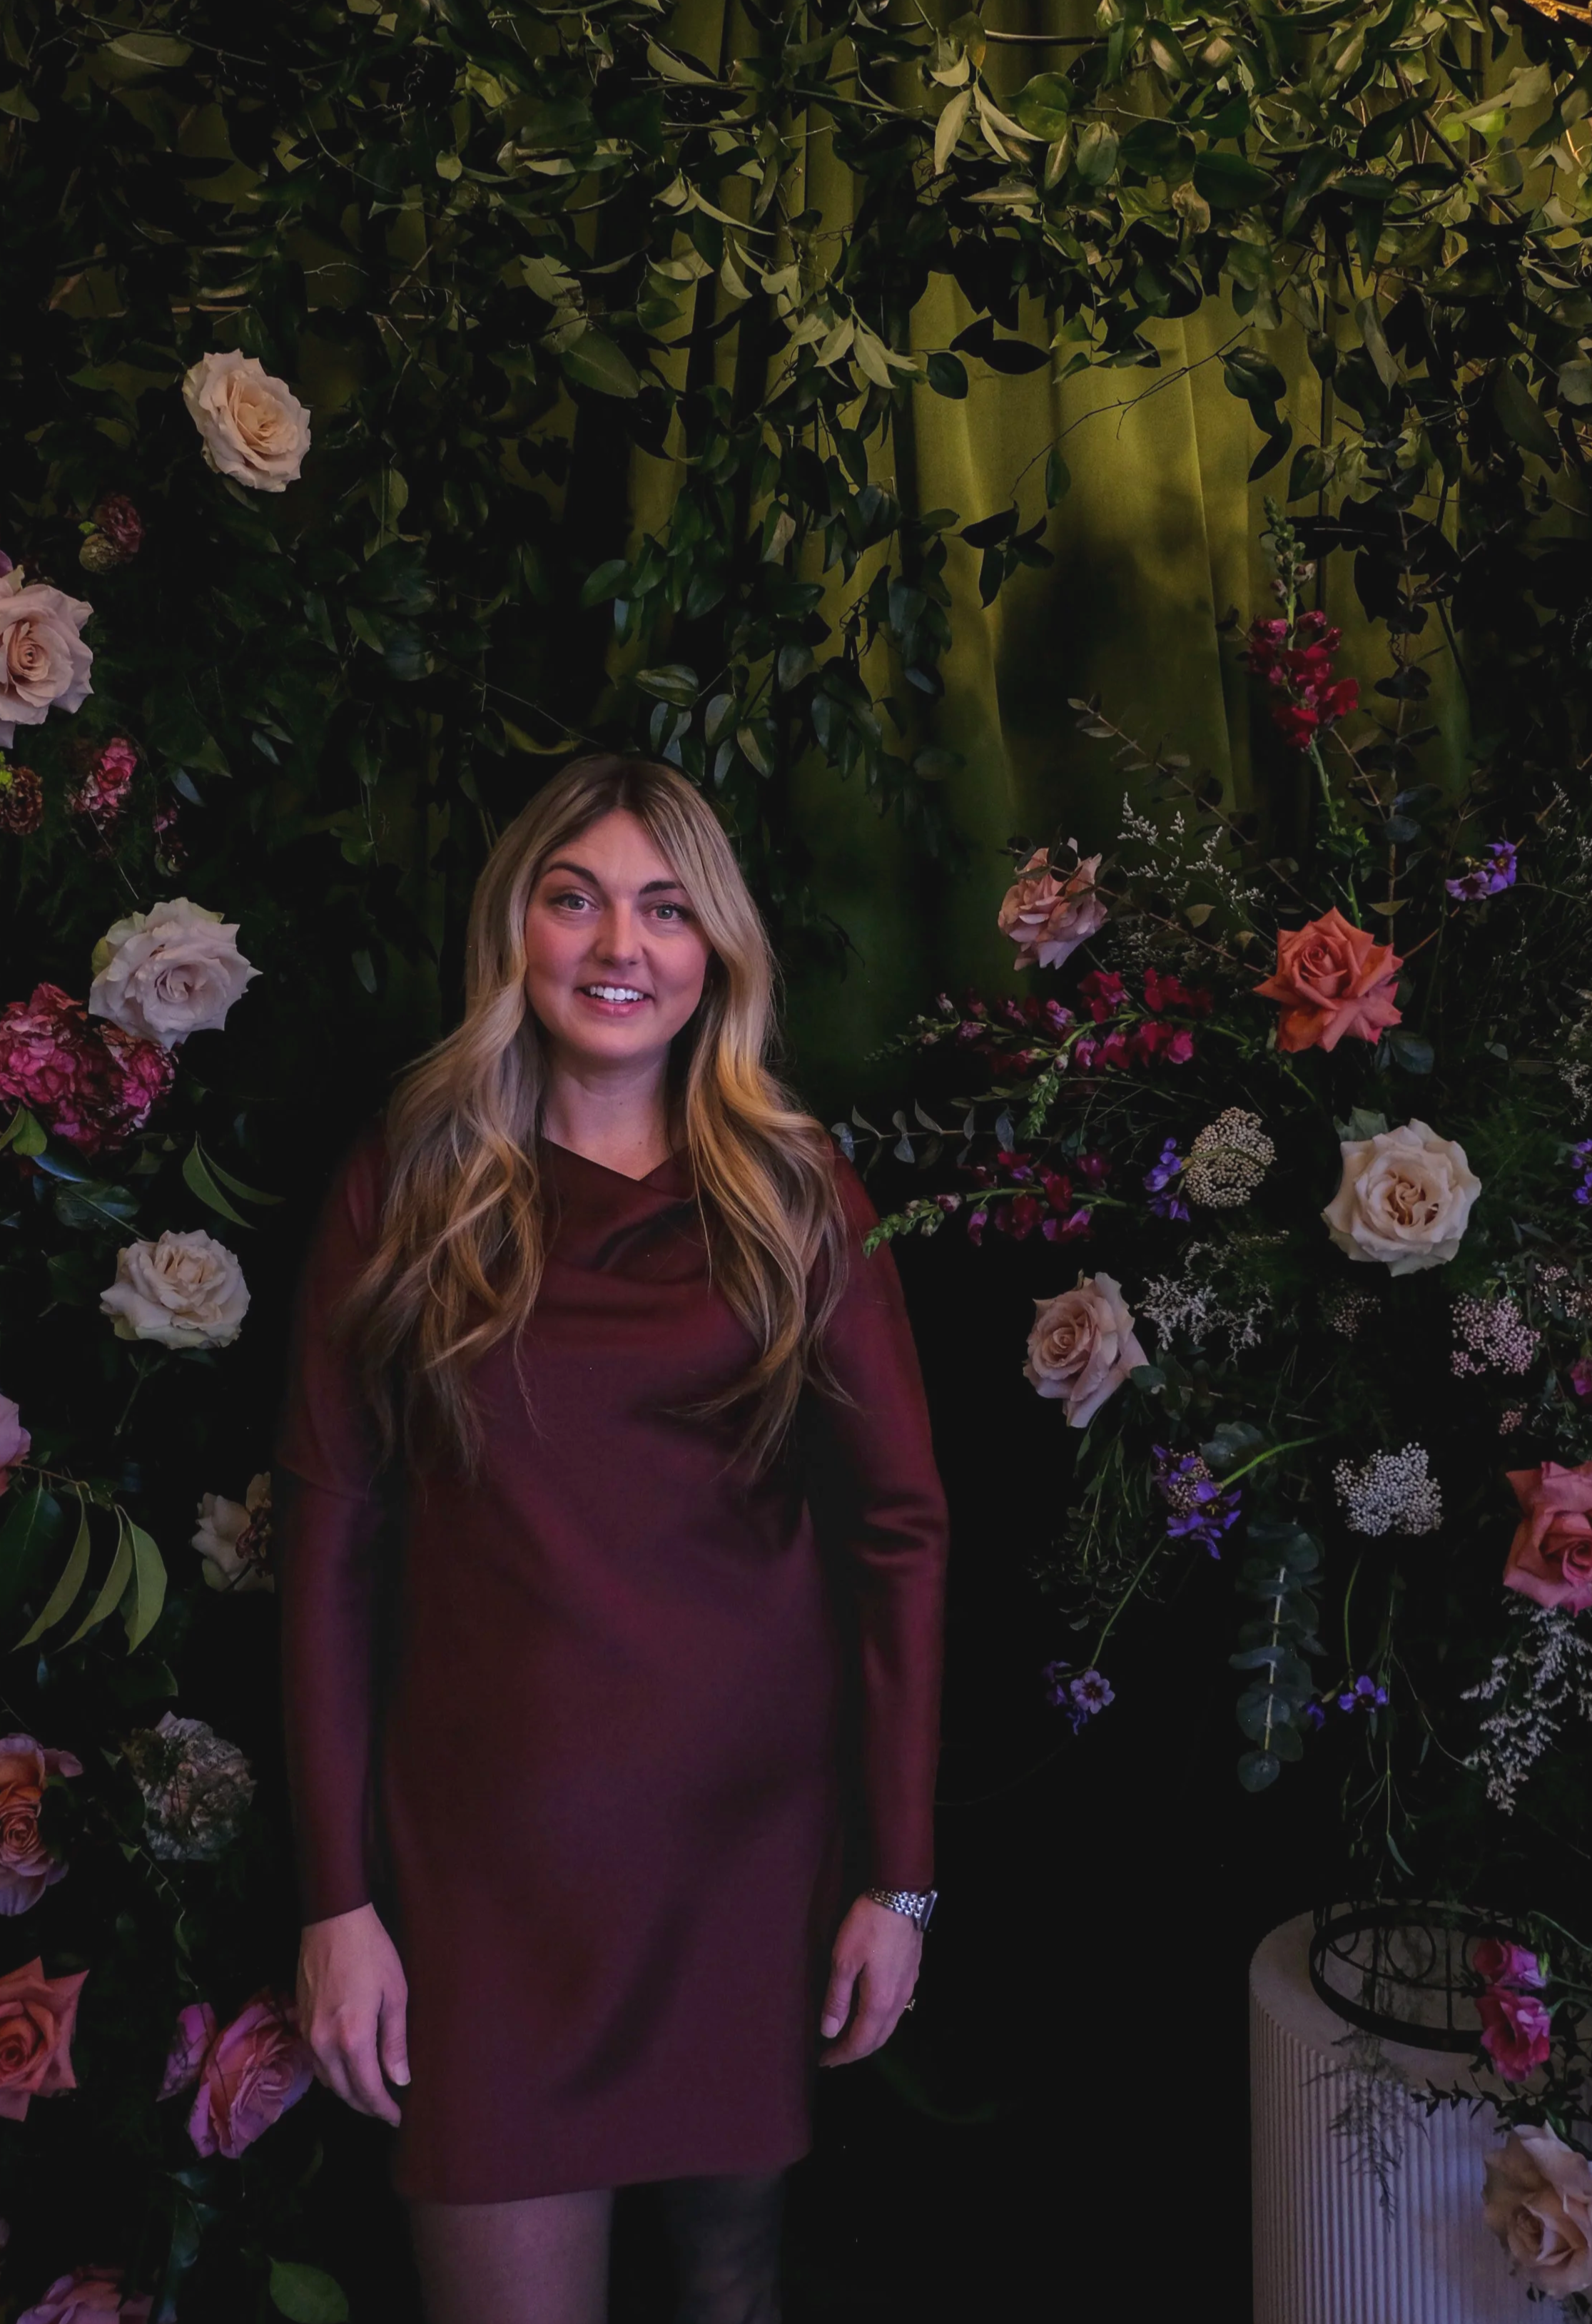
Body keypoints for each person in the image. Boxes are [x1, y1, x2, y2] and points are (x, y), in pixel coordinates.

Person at [271, 754, 950, 2323]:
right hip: (481, 1876)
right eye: (573, 899)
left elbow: (902, 1533)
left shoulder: (796, 1194)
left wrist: (898, 1878)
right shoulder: (408, 1187)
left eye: (664, 906)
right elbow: (328, 1554)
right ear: (517, 929)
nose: (616, 946)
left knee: (730, 2289)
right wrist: (334, 1898)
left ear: (717, 949)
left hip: (744, 1858)